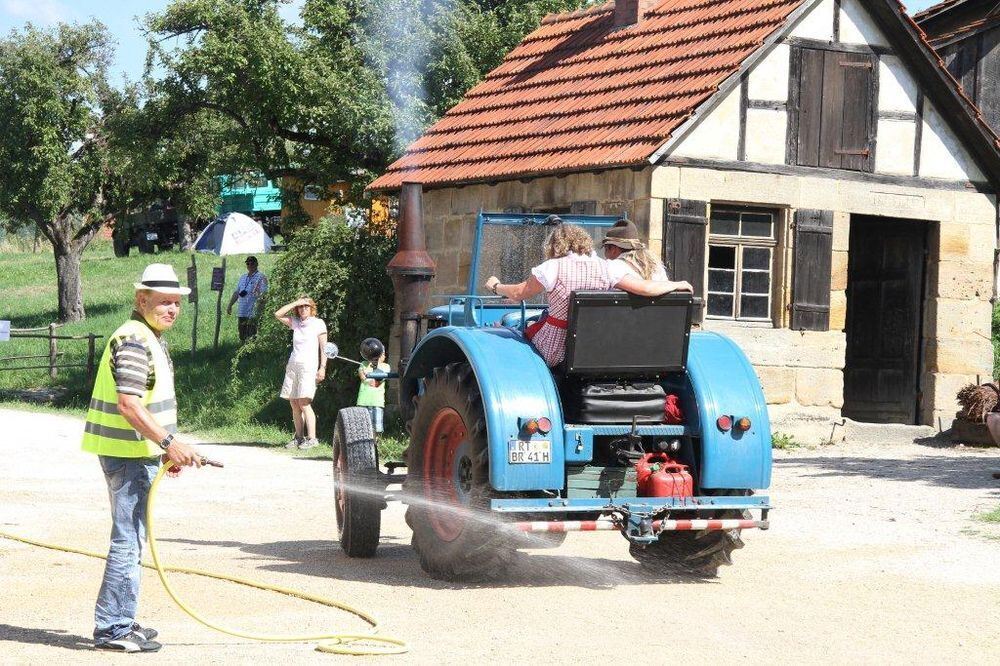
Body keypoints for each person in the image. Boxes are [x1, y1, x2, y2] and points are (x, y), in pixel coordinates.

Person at [81, 263, 202, 653]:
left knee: (132, 536)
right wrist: (169, 444)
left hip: (137, 451)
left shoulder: (146, 335)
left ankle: (122, 620)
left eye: (176, 302)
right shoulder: (135, 340)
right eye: (163, 301)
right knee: (128, 539)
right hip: (128, 454)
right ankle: (113, 628)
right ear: (141, 299)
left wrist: (164, 449)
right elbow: (129, 406)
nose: (172, 309)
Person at [485, 223, 692, 367]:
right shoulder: (608, 268)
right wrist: (677, 284)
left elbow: (519, 293)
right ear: (584, 242)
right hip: (594, 346)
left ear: (555, 246)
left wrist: (497, 286)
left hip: (555, 346)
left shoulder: (553, 267)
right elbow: (646, 289)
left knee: (515, 334)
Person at [274, 296, 328, 449]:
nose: (303, 309)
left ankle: (312, 438)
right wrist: (295, 303)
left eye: (306, 306)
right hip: (293, 364)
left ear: (312, 308)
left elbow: (324, 348)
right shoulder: (296, 323)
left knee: (304, 402)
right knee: (294, 402)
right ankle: (299, 437)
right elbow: (278, 314)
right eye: (301, 307)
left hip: (309, 366)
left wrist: (322, 367)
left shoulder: (318, 323)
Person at [601, 219, 669, 281]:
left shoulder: (613, 266)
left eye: (606, 249)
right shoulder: (656, 266)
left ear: (613, 249)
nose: (605, 255)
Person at [226, 255, 268, 342]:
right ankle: (243, 354)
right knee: (242, 335)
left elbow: (264, 294)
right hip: (242, 312)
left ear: (256, 264)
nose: (250, 265)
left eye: (252, 263)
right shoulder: (242, 277)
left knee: (252, 336)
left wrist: (260, 309)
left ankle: (252, 354)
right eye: (248, 263)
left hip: (253, 312)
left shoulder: (261, 277)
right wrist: (230, 305)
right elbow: (237, 292)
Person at [357, 342, 391, 434]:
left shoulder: (386, 366)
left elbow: (377, 382)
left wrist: (374, 366)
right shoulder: (364, 364)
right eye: (383, 354)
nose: (384, 356)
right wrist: (365, 371)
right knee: (362, 428)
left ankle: (375, 445)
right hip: (363, 402)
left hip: (377, 402)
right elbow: (362, 376)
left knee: (376, 429)